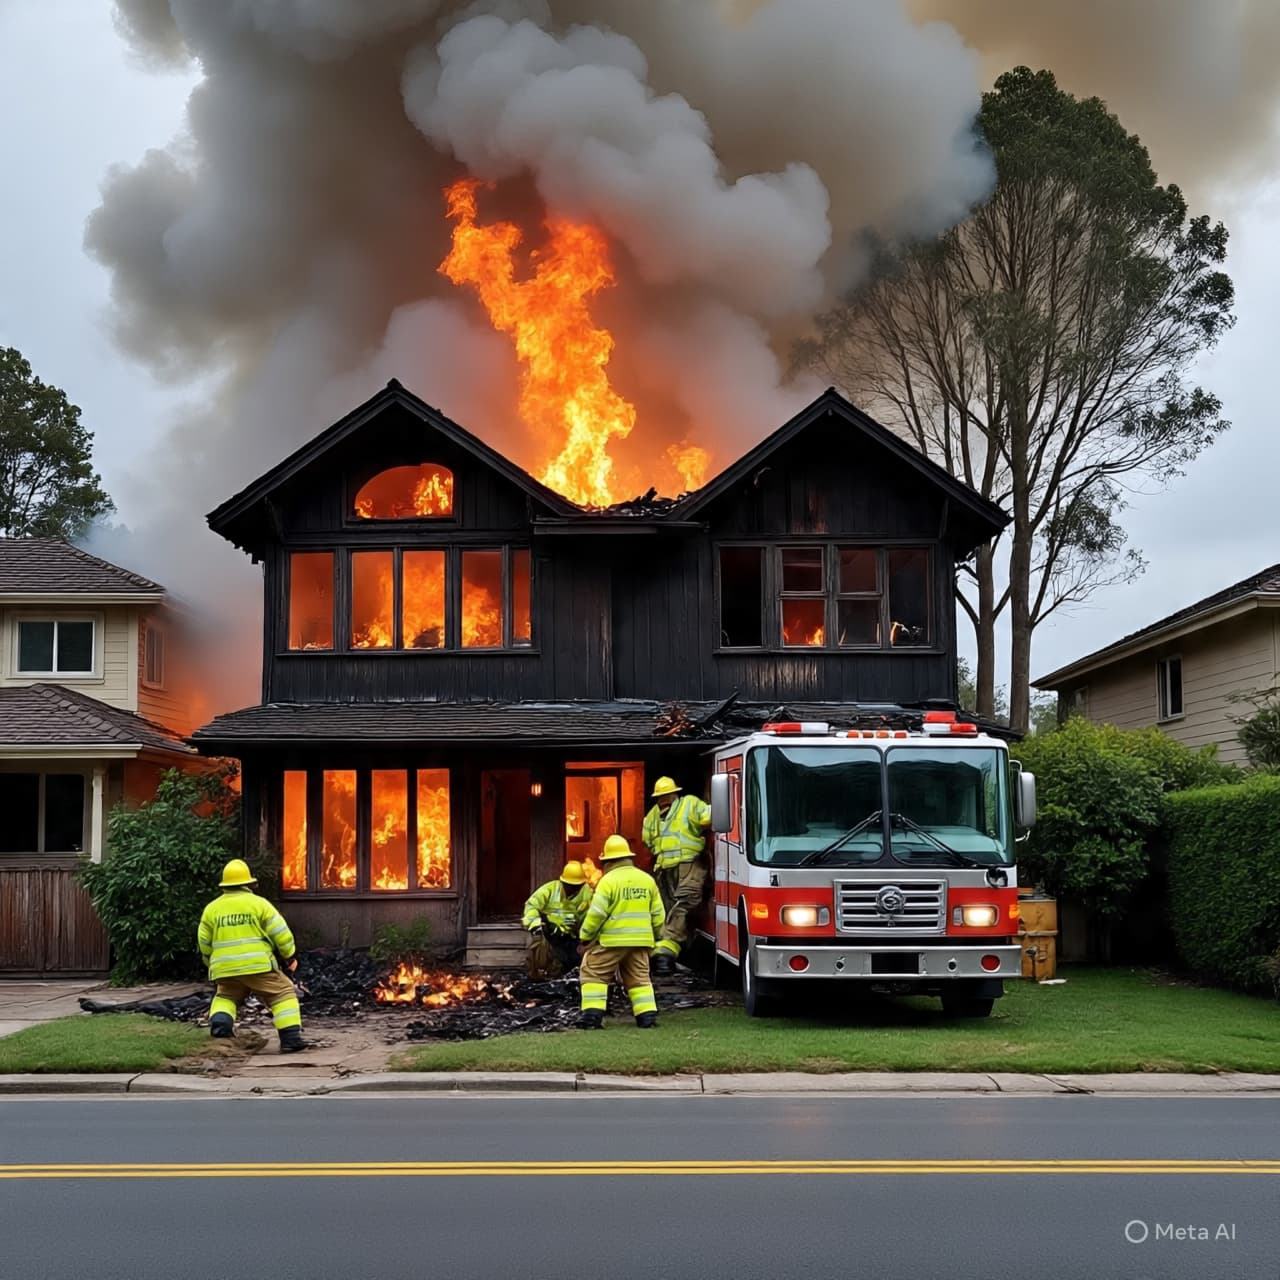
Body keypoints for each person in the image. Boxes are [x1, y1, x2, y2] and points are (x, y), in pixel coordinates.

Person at [197, 858, 308, 1053]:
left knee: (226, 995)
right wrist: (289, 954)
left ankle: (221, 1027)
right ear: (248, 883)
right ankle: (290, 1039)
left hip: (225, 968)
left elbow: (204, 943)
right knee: (282, 993)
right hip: (258, 966)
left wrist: (211, 964)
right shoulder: (259, 904)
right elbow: (281, 933)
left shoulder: (211, 909)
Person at [576, 835, 665, 1030]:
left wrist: (585, 937)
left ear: (608, 861)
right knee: (639, 979)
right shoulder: (647, 880)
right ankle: (647, 1018)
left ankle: (591, 1018)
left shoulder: (608, 882)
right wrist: (655, 937)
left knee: (593, 974)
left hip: (611, 941)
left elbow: (596, 914)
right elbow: (658, 916)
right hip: (640, 941)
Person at [641, 776, 711, 975]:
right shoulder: (659, 813)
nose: (663, 800)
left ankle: (665, 951)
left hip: (678, 866)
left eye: (666, 796)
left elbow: (647, 841)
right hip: (673, 868)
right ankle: (664, 951)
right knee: (676, 908)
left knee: (681, 905)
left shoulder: (686, 805)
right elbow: (708, 818)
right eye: (660, 797)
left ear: (674, 795)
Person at [522, 860, 592, 978]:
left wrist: (586, 939)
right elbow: (532, 905)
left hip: (574, 937)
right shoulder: (550, 890)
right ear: (563, 882)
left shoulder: (587, 894)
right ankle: (539, 974)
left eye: (577, 886)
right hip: (550, 935)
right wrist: (535, 925)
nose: (574, 889)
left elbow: (592, 917)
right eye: (570, 885)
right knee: (538, 944)